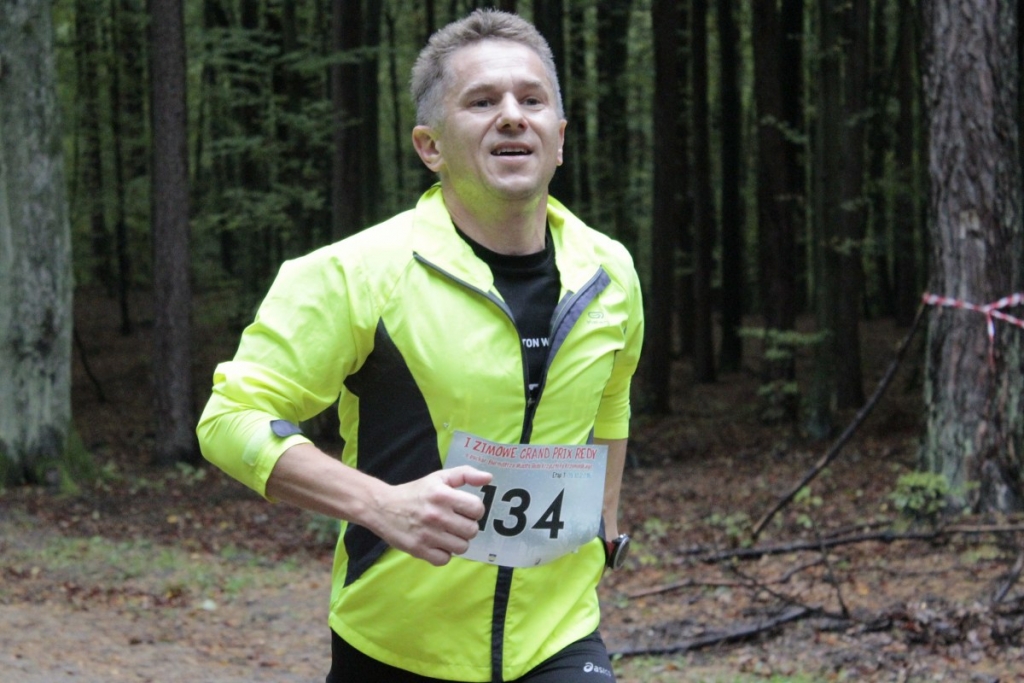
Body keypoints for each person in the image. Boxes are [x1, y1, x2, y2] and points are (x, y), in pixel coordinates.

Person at [196, 9, 643, 683]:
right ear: (430, 147)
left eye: (532, 100)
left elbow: (611, 402)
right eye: (482, 101)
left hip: (558, 638)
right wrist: (380, 504)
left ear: (559, 138)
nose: (512, 116)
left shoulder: (610, 273)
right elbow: (229, 419)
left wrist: (604, 518)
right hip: (396, 647)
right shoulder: (352, 274)